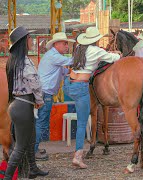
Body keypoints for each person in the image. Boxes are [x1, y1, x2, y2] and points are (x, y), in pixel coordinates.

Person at [63, 27, 121, 169]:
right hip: (80, 87)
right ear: (96, 39)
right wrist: (118, 53)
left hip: (68, 84)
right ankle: (77, 157)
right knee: (82, 123)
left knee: (84, 112)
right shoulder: (96, 51)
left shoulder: (79, 49)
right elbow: (115, 58)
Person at [5, 26, 49, 179]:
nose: (31, 40)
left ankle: (33, 169)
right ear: (24, 42)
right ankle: (7, 177)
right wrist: (39, 100)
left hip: (18, 104)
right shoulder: (25, 61)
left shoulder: (13, 61)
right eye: (29, 38)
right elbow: (35, 82)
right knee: (20, 147)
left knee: (30, 138)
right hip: (24, 105)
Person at [35, 32, 75, 160]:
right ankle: (34, 150)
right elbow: (72, 61)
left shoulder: (54, 57)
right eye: (65, 44)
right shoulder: (54, 56)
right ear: (56, 44)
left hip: (45, 92)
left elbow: (64, 71)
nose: (67, 47)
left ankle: (34, 148)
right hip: (45, 93)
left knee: (41, 121)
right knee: (41, 121)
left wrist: (70, 71)